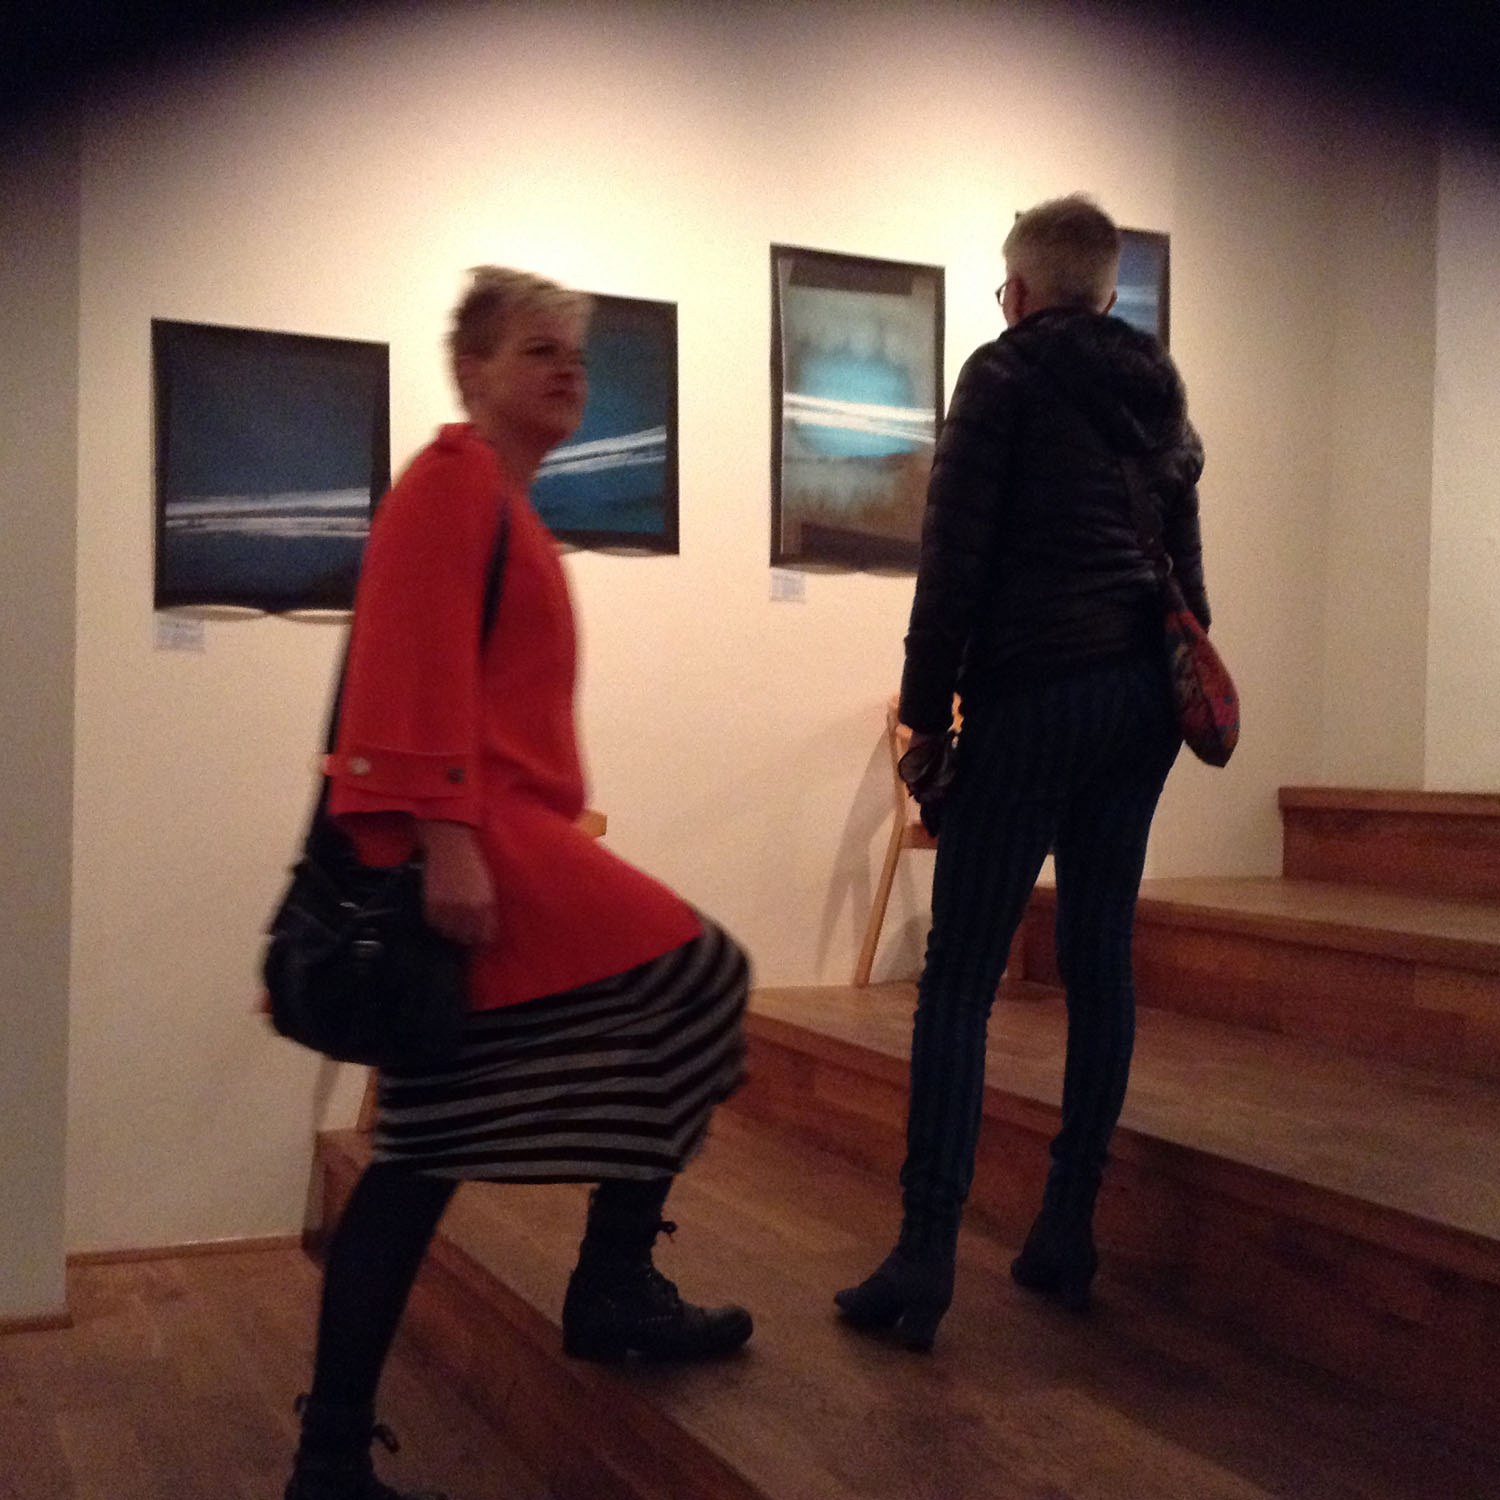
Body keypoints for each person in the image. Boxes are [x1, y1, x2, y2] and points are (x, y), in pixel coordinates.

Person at [284, 268, 752, 1500]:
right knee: (700, 979)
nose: (567, 371)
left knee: (421, 1157)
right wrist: (446, 837)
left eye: (576, 356)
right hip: (478, 842)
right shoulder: (451, 483)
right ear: (472, 370)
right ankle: (609, 1286)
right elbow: (409, 663)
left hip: (503, 835)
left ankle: (339, 1451)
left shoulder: (502, 501)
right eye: (538, 350)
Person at [834, 195, 1209, 1350]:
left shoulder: (1001, 377)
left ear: (1019, 290)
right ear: (1107, 290)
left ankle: (924, 1251)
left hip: (1034, 695)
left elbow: (951, 562)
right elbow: (1189, 584)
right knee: (1100, 961)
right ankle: (1065, 1230)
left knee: (959, 976)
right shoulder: (1159, 391)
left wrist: (924, 717)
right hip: (1137, 704)